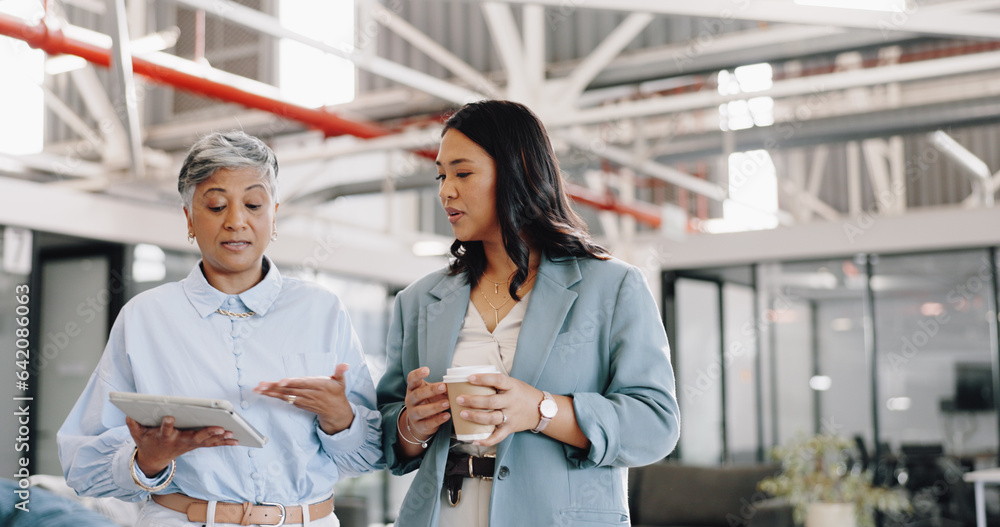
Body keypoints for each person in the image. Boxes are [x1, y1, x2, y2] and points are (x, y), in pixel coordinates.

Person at [376, 100, 680, 526]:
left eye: (463, 173)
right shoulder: (419, 300)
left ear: (517, 169)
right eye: (441, 175)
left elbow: (655, 425)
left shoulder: (612, 288)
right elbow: (388, 438)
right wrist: (412, 424)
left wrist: (540, 410)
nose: (446, 190)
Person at [58, 131, 384, 527]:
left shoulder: (322, 310)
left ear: (274, 214)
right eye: (215, 205)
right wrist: (148, 457)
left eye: (253, 204)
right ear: (189, 218)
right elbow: (80, 465)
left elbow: (370, 454)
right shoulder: (145, 317)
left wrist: (341, 418)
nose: (236, 221)